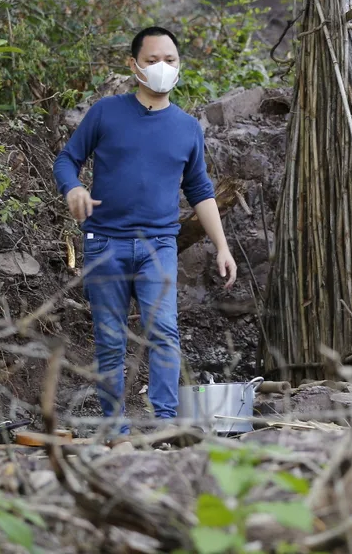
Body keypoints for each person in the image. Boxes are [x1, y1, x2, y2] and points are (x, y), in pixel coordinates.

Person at [53, 25, 236, 434]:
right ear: (133, 65)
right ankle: (114, 431)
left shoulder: (187, 127)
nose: (161, 68)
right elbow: (67, 159)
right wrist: (74, 188)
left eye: (169, 60)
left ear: (179, 66)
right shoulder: (106, 112)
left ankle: (166, 426)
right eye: (152, 60)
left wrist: (222, 248)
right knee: (111, 340)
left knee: (165, 334)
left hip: (159, 245)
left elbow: (201, 190)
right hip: (105, 243)